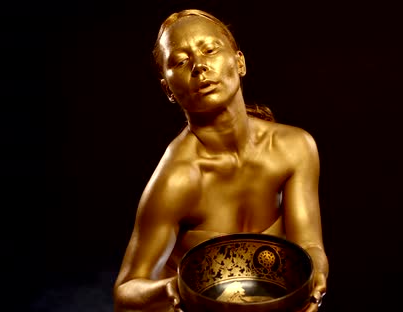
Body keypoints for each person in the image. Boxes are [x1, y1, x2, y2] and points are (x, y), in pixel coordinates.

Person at [113, 9, 329, 312]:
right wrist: (175, 287)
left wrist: (315, 281)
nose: (199, 66)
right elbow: (125, 293)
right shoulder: (178, 178)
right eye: (180, 61)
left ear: (239, 62)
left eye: (210, 49)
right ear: (168, 90)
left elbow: (310, 246)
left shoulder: (294, 148)